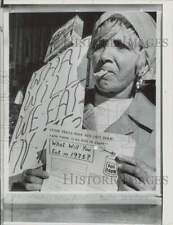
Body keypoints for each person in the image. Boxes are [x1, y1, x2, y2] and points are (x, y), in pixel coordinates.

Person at [11, 11, 156, 191]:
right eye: (99, 45)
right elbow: (18, 165)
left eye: (121, 45)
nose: (104, 56)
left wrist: (159, 194)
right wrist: (22, 181)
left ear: (144, 62)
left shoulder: (161, 126)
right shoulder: (61, 108)